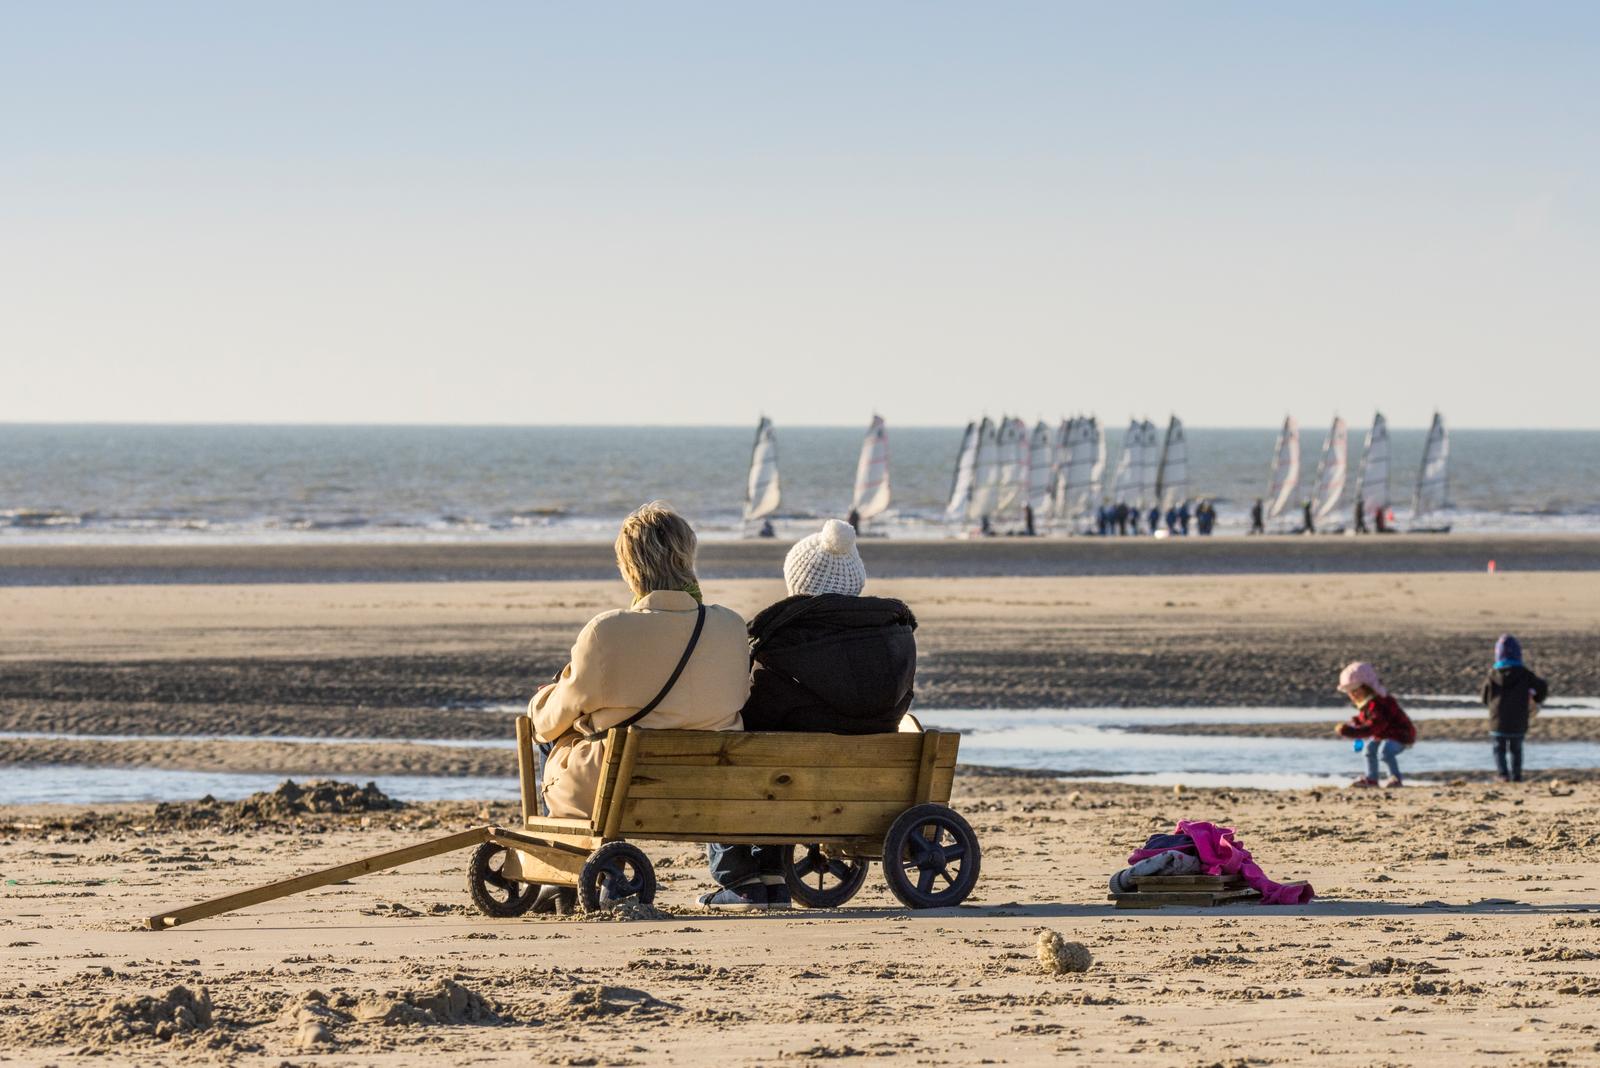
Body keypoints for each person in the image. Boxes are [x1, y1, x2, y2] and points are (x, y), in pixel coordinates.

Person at [528, 503, 750, 909]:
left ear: (629, 566)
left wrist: (544, 700)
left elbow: (547, 722)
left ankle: (560, 870)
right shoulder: (731, 627)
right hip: (709, 786)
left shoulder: (607, 631)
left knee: (550, 739)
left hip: (617, 790)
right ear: (687, 556)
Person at [702, 519, 917, 911]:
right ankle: (773, 875)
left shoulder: (780, 643)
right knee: (782, 751)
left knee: (743, 749)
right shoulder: (894, 634)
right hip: (864, 778)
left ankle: (741, 876)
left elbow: (757, 715)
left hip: (785, 781)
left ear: (797, 581)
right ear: (856, 581)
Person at [1335, 661, 1417, 788]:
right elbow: (1366, 721)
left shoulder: (1381, 703)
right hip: (1384, 736)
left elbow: (1375, 725)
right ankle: (1371, 779)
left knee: (1385, 752)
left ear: (1367, 687)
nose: (1352, 695)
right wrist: (1354, 723)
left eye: (1355, 690)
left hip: (1401, 735)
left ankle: (1395, 779)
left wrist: (1351, 732)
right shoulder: (1367, 704)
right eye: (1350, 692)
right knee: (1369, 750)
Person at [1481, 634, 1549, 783]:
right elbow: (1542, 688)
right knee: (1516, 749)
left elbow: (1484, 697)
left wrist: (1492, 706)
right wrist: (1536, 698)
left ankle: (1503, 775)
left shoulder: (1492, 674)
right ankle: (1517, 776)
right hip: (1518, 720)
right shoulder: (1525, 674)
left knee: (1499, 749)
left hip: (1497, 719)